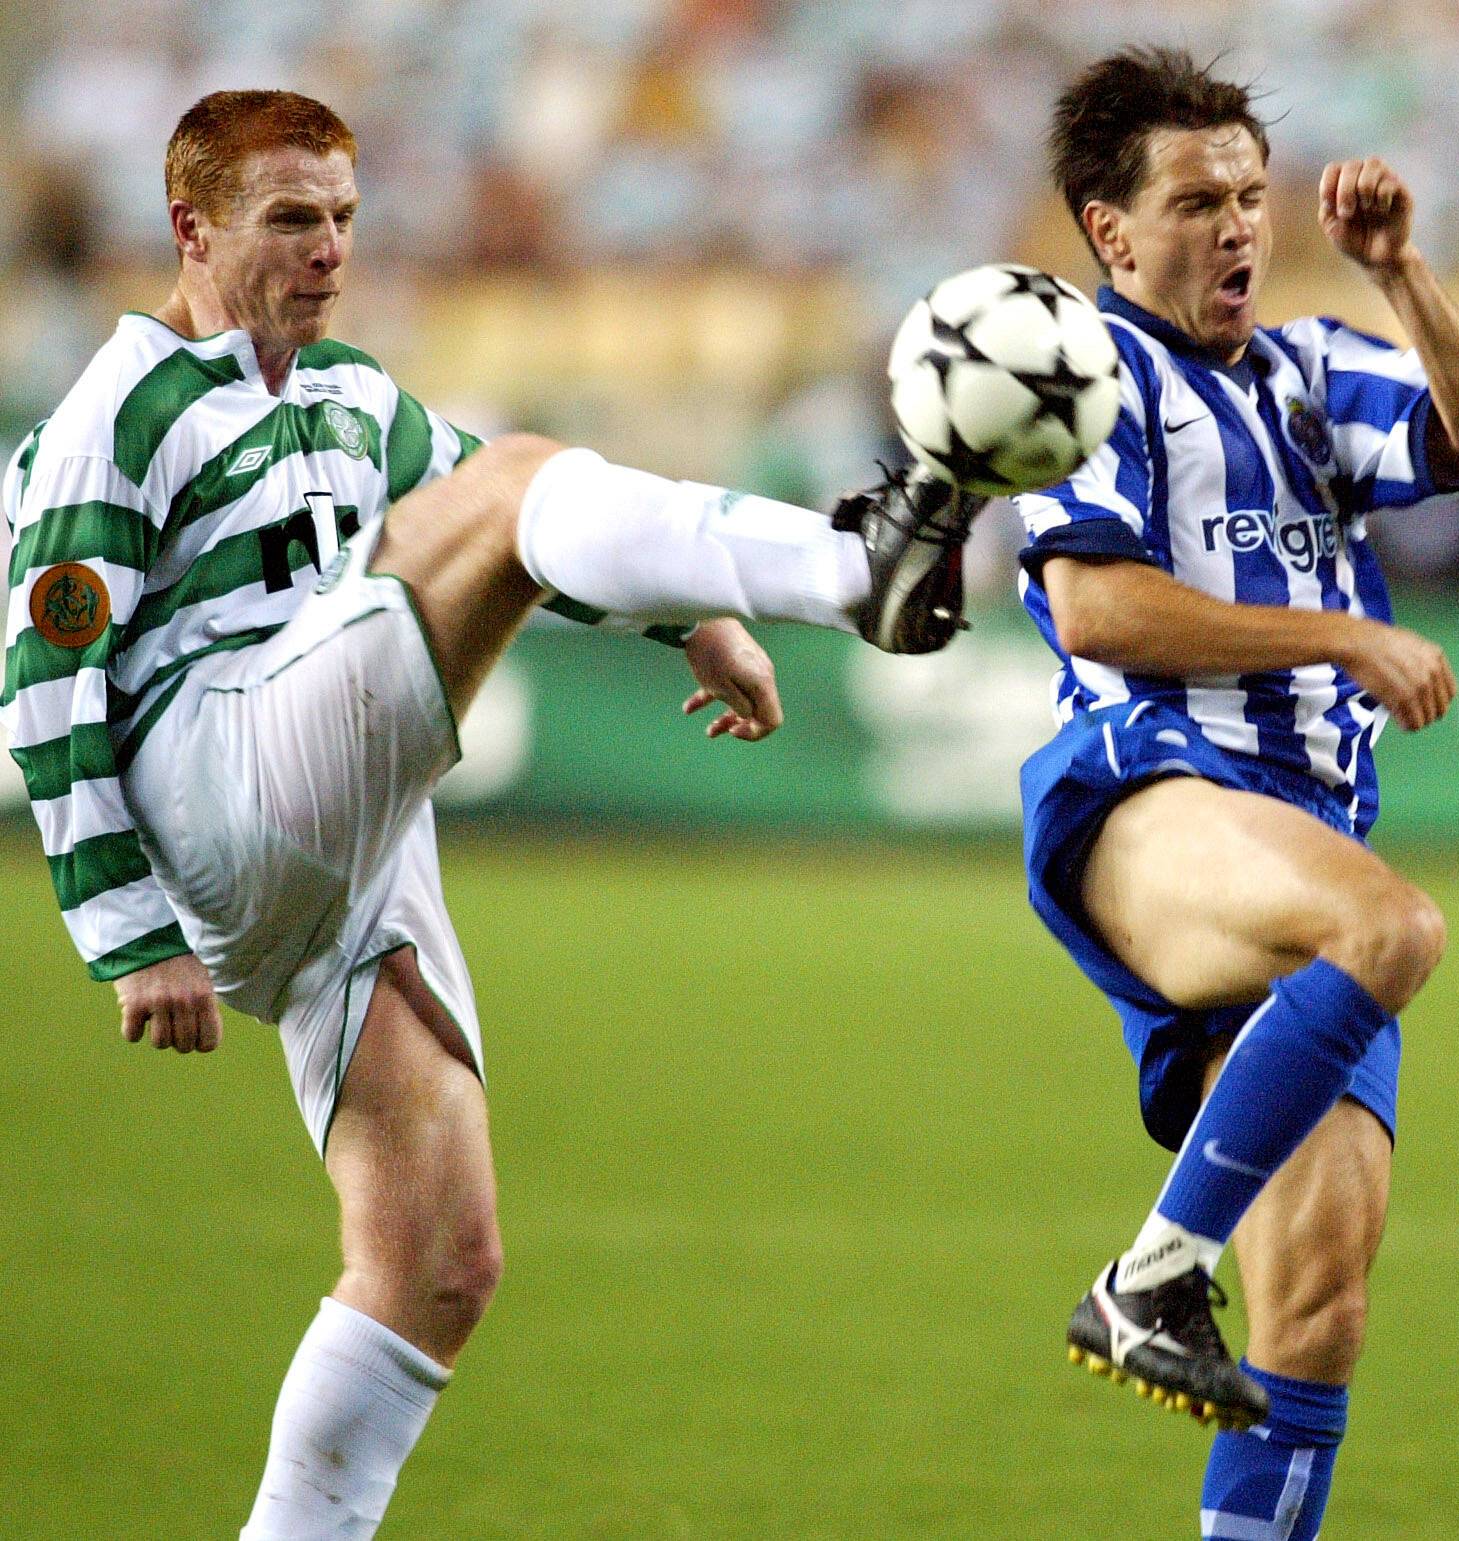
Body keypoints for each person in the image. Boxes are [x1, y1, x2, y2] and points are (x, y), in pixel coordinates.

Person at [0, 90, 980, 1539]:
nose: (329, 249)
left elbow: (495, 526)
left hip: (345, 836)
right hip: (218, 784)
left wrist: (688, 621)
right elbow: (44, 679)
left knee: (436, 1264)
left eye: (341, 216)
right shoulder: (118, 412)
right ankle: (859, 567)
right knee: (518, 471)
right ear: (190, 228)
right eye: (290, 219)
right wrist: (130, 932)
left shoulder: (345, 398)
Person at [1017, 49, 1459, 1539]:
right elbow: (1102, 612)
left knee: (1317, 1311)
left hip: (1299, 836)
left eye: (1252, 195)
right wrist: (1342, 629)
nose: (1239, 225)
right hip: (1149, 796)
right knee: (1393, 933)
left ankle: (1170, 1287)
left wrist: (1403, 273)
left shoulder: (1309, 371)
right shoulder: (1081, 377)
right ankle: (1149, 1275)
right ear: (1111, 232)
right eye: (1197, 201)